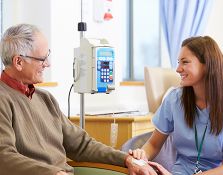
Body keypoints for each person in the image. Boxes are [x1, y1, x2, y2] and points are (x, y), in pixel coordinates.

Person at [0, 23, 160, 175]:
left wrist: (126, 159)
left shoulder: (45, 98)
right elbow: (4, 157)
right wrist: (53, 173)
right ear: (18, 62)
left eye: (47, 56)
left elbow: (81, 145)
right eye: (42, 59)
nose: (47, 64)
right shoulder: (3, 99)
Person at [130, 36, 223, 175]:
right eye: (178, 62)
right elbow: (153, 144)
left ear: (207, 64)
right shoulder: (175, 99)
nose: (178, 69)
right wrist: (141, 157)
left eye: (185, 62)